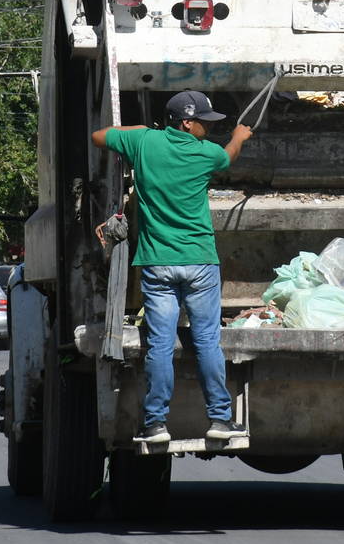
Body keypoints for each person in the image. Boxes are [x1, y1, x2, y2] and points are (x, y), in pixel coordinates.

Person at [91, 90, 253, 444]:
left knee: (161, 344)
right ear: (186, 122)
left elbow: (99, 136)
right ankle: (220, 421)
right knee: (207, 340)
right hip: (199, 263)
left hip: (157, 264)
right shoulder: (206, 154)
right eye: (203, 123)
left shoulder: (145, 143)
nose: (207, 130)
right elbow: (229, 157)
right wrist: (239, 137)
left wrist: (141, 132)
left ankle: (155, 425)